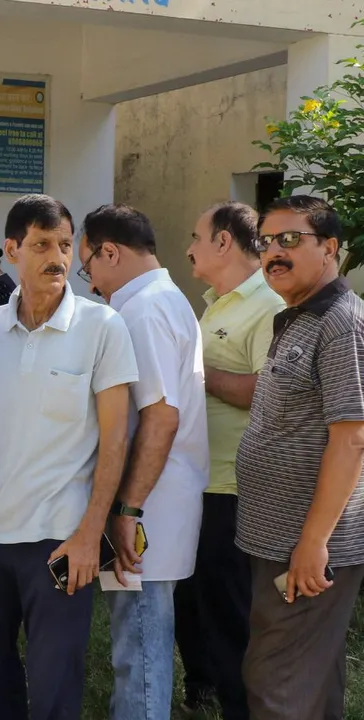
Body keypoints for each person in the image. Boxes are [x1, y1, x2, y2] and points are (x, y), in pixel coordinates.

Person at [0, 194, 138, 720]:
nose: (56, 257)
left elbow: (116, 440)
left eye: (64, 245)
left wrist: (90, 534)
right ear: (12, 249)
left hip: (59, 541)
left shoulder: (102, 327)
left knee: (56, 684)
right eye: (40, 245)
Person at [235, 195, 364, 719]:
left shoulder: (340, 323)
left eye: (291, 239)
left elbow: (352, 438)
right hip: (279, 539)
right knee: (309, 680)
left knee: (275, 683)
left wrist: (314, 543)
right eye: (266, 241)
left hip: (306, 549)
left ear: (330, 248)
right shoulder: (295, 317)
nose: (274, 252)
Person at [78, 204, 208, 720]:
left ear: (110, 251)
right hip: (156, 499)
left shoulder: (144, 310)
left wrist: (127, 510)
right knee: (139, 638)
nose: (90, 284)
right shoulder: (163, 299)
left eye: (89, 266)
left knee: (141, 643)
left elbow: (160, 418)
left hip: (146, 508)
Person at [174, 202, 282, 719]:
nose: (189, 247)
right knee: (193, 601)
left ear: (223, 242)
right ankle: (204, 687)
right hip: (198, 479)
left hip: (234, 486)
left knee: (229, 610)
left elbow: (268, 390)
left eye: (196, 235)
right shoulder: (213, 303)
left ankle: (243, 706)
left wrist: (198, 377)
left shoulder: (268, 304)